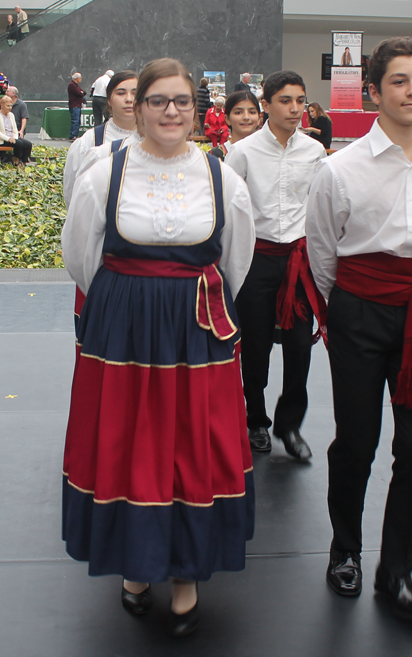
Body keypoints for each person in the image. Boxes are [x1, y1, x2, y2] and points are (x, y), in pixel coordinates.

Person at [61, 57, 255, 638]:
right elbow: (81, 255)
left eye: (182, 101)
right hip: (123, 333)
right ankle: (136, 570)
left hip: (196, 329)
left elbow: (236, 260)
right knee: (130, 443)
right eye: (158, 101)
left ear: (197, 110)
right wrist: (127, 305)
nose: (171, 111)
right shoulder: (104, 173)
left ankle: (187, 575)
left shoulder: (223, 178)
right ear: (137, 108)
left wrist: (177, 302)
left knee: (196, 447)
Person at [306, 37, 412, 619]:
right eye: (399, 81)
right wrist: (346, 309)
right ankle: (345, 551)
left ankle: (397, 571)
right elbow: (323, 254)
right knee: (356, 445)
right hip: (356, 312)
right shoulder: (339, 169)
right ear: (374, 91)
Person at [225, 70, 327, 460]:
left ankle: (290, 425)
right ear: (265, 105)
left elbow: (320, 208)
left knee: (301, 347)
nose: (295, 108)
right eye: (285, 100)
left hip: (298, 263)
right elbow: (230, 211)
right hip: (256, 260)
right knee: (255, 347)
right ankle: (256, 420)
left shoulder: (314, 152)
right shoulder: (245, 152)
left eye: (300, 100)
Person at [64, 70, 138, 206]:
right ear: (108, 99)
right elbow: (73, 194)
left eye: (135, 93)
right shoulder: (89, 141)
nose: (129, 99)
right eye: (121, 93)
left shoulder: (158, 141)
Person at [211, 90, 260, 160]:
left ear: (259, 118)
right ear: (227, 118)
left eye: (252, 112)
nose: (246, 117)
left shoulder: (268, 153)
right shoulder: (215, 156)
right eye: (238, 112)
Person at [0, 95, 32, 165]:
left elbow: (14, 129)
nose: (10, 108)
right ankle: (16, 159)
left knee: (28, 144)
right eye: (8, 106)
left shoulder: (11, 115)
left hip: (12, 137)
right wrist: (9, 139)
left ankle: (24, 162)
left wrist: (15, 137)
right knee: (19, 143)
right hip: (3, 139)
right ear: (2, 105)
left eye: (11, 106)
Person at [67, 72, 86, 142]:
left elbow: (83, 92)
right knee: (75, 121)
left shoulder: (76, 85)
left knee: (77, 121)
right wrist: (81, 92)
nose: (81, 79)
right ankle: (73, 135)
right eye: (80, 78)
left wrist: (82, 92)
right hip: (74, 106)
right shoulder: (72, 85)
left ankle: (75, 134)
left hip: (78, 105)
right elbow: (79, 93)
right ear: (76, 78)